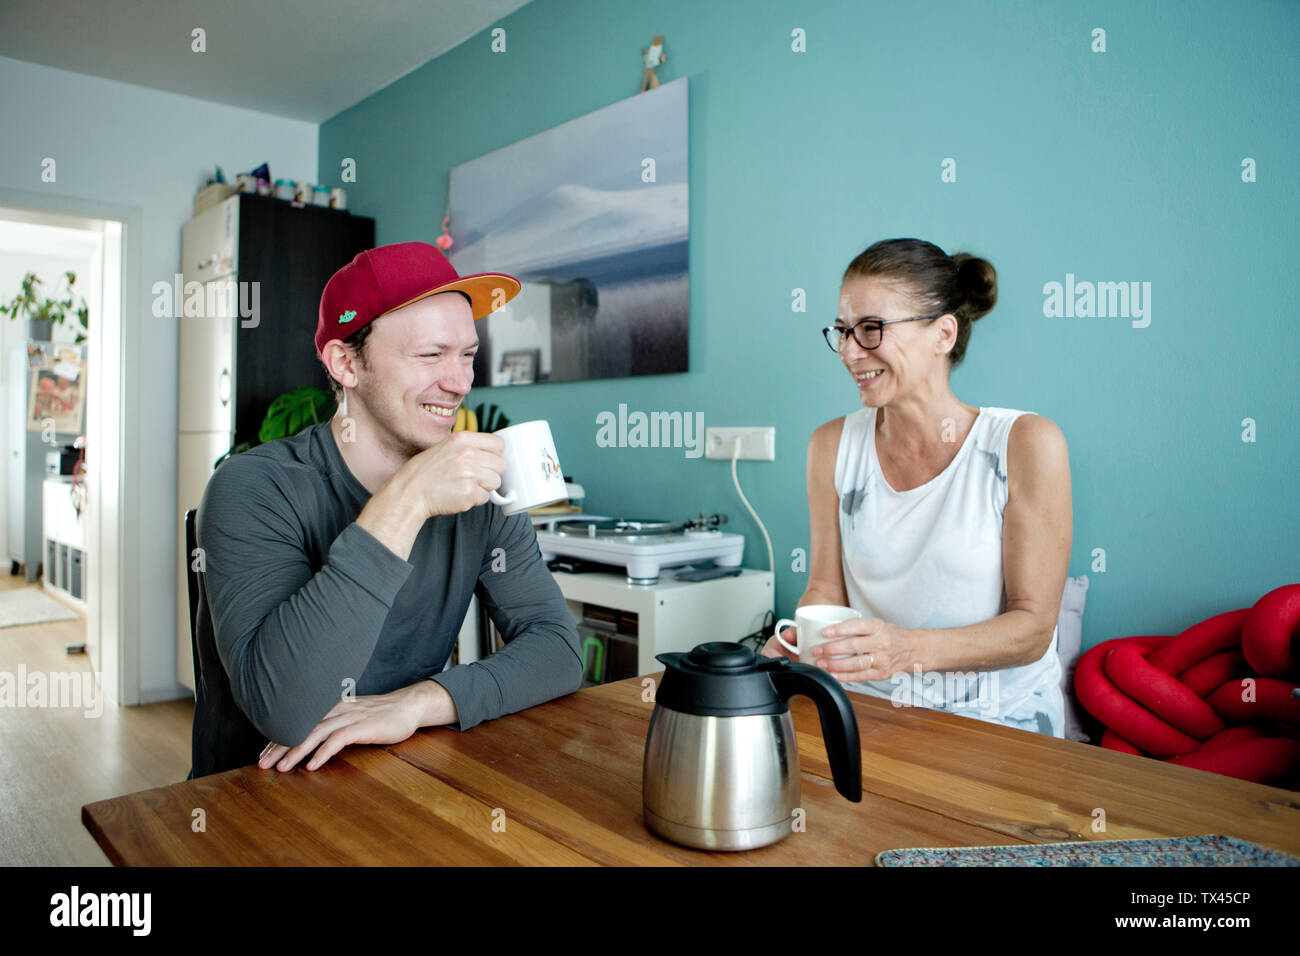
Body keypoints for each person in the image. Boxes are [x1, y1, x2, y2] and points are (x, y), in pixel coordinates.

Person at [190, 241, 582, 778]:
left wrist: (419, 703)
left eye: (467, 355)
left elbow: (558, 650)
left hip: (398, 776)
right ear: (346, 363)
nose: (460, 382)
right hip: (254, 803)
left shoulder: (482, 492)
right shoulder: (254, 487)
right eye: (430, 355)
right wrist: (409, 499)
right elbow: (284, 711)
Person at [762, 238, 1072, 737]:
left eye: (870, 329)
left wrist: (904, 651)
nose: (847, 352)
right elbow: (824, 586)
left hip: (998, 724)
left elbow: (1033, 629)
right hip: (867, 713)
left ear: (943, 334)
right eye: (842, 332)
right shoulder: (831, 446)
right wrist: (813, 641)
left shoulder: (1026, 443)